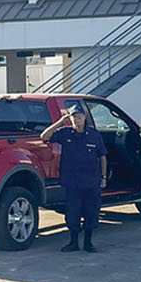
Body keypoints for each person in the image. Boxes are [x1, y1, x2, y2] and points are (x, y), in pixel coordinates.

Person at [40, 101, 107, 252]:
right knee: (72, 214)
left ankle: (88, 243)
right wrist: (59, 123)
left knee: (91, 213)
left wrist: (103, 177)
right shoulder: (65, 133)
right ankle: (74, 243)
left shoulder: (94, 135)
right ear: (69, 119)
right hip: (73, 183)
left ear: (84, 117)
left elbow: (102, 156)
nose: (77, 120)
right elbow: (44, 136)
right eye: (74, 117)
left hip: (91, 183)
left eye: (79, 116)